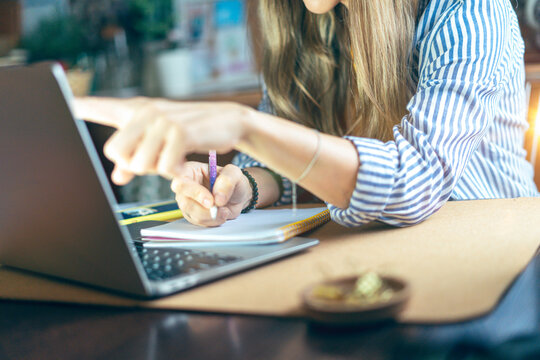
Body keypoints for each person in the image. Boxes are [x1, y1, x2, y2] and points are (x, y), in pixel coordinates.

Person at [75, 0, 539, 228]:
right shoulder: (306, 21)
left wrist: (244, 125)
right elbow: (305, 170)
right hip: (384, 260)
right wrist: (248, 185)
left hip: (498, 265)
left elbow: (413, 185)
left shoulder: (470, 11)